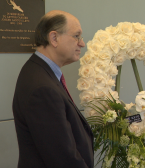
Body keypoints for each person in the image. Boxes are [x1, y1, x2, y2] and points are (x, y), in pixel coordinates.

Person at [12, 10, 94, 168]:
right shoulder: (42, 89)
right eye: (76, 36)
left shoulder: (38, 71)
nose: (82, 43)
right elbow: (63, 159)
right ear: (54, 38)